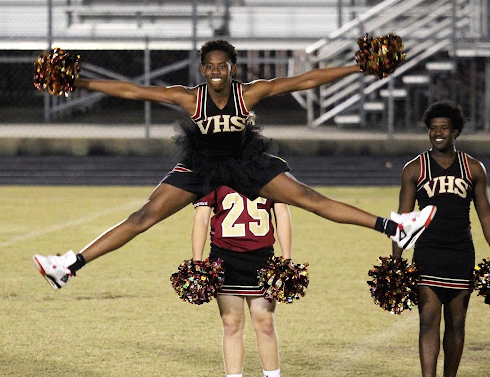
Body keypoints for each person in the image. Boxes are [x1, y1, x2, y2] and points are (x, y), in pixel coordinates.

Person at [32, 39, 436, 290]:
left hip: (246, 164)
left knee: (308, 198)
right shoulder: (189, 97)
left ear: (232, 68)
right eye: (208, 67)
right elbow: (131, 90)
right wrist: (78, 82)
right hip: (202, 166)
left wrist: (359, 66)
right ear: (202, 70)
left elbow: (306, 81)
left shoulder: (250, 93)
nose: (215, 72)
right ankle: (68, 265)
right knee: (144, 216)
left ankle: (395, 227)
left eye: (222, 66)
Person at [391, 100, 490, 377]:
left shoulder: (473, 169)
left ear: (455, 131)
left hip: (460, 253)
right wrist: (395, 263)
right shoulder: (414, 169)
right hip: (428, 252)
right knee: (427, 322)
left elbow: (486, 217)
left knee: (457, 325)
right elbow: (404, 218)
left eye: (444, 128)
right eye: (433, 128)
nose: (438, 133)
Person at [192, 185, 291, 377]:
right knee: (231, 323)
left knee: (265, 322)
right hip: (224, 259)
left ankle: (272, 375)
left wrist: (286, 258)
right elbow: (201, 217)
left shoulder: (268, 170)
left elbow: (282, 214)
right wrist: (197, 260)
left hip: (262, 259)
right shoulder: (214, 171)